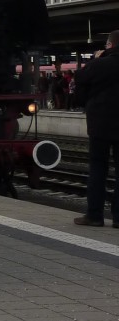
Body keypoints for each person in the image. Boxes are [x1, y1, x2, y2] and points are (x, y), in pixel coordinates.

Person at [70, 29, 119, 227]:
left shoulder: (98, 65)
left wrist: (95, 60)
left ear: (109, 45)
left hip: (100, 125)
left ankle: (94, 215)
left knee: (98, 168)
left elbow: (78, 84)